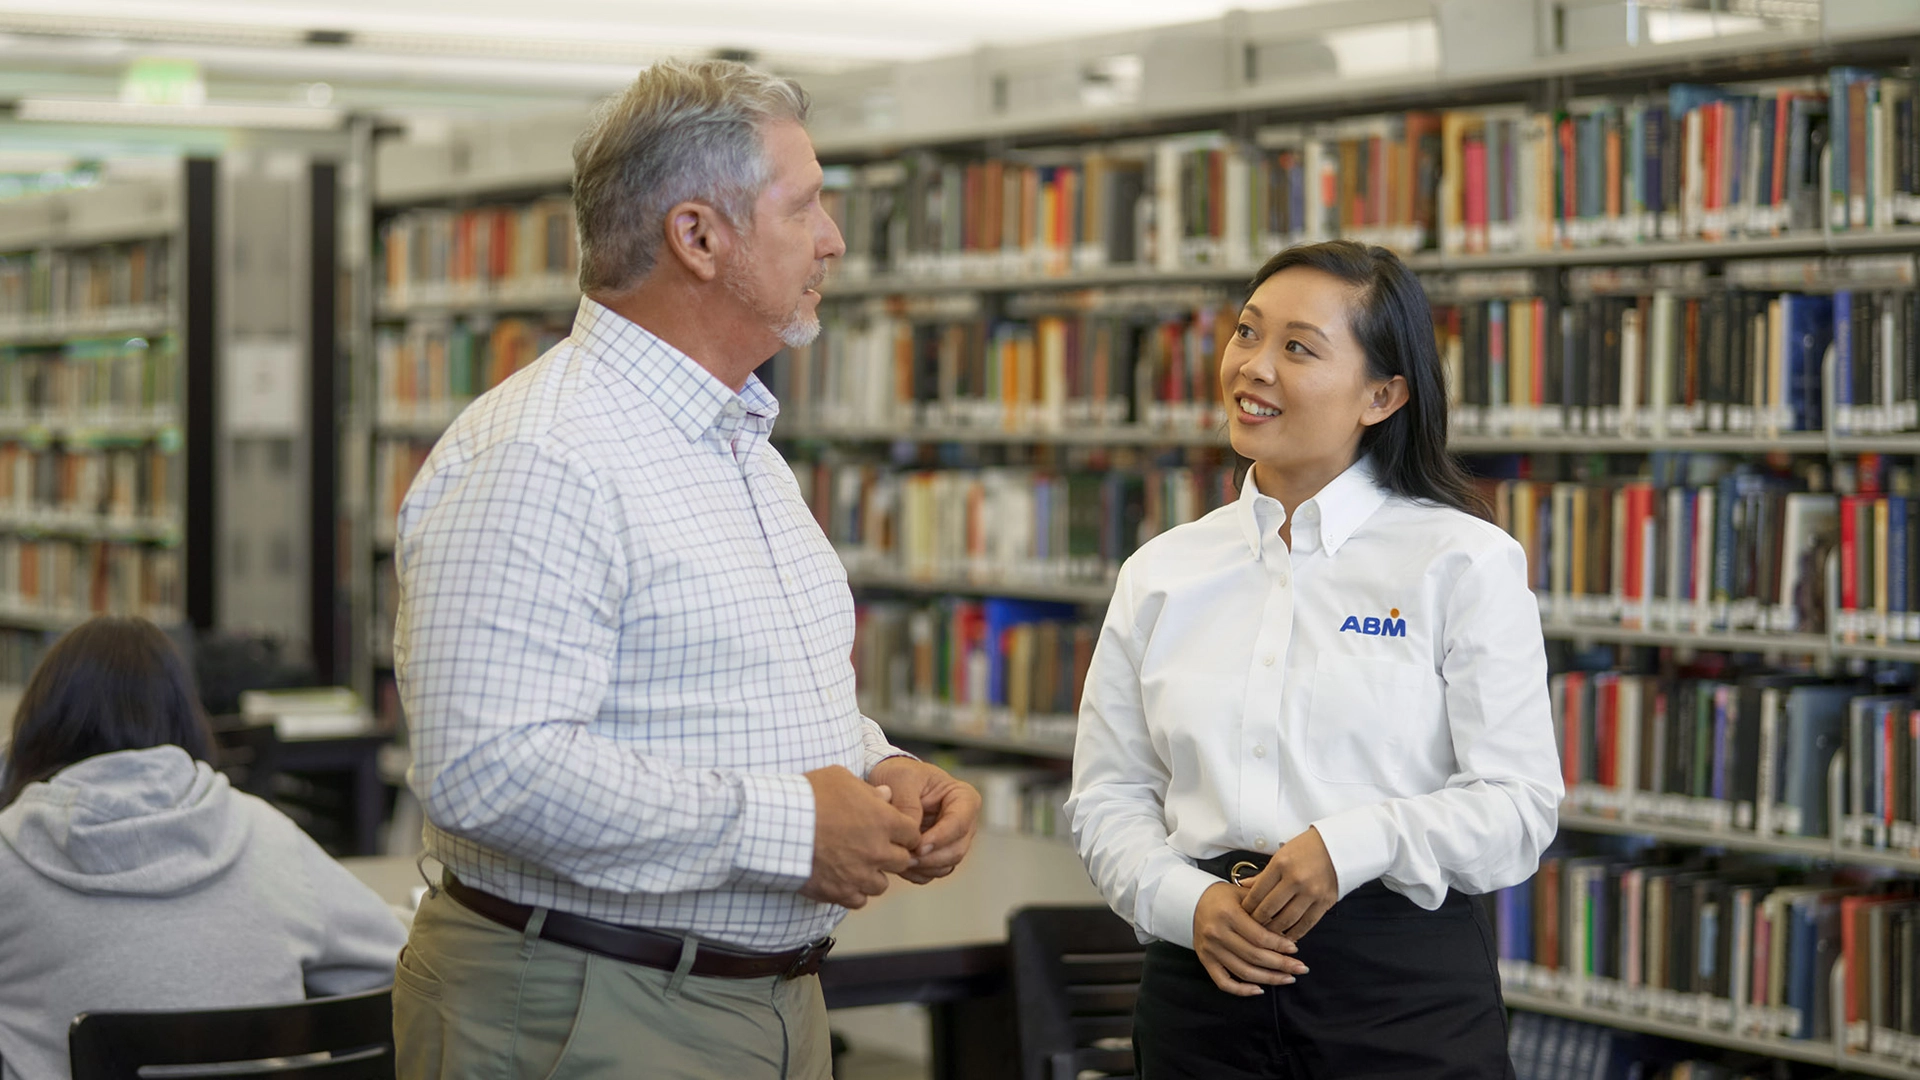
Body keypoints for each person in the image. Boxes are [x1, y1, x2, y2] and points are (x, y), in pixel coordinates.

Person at [390, 58, 981, 1079]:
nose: (835, 239)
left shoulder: (737, 441)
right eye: (806, 207)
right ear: (698, 236)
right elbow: (486, 769)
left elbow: (735, 690)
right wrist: (794, 821)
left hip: (762, 1000)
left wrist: (877, 768)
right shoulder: (545, 454)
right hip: (586, 1008)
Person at [1065, 240, 1563, 1079]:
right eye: (1247, 333)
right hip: (1202, 985)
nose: (1253, 367)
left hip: (1398, 991)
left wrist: (1349, 844)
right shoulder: (1162, 571)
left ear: (1383, 394)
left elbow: (1518, 810)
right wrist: (1186, 903)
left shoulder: (1463, 561)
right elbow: (1109, 794)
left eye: (1297, 348)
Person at [0, 616, 406, 1080]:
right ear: (186, 716)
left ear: (39, 726)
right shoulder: (267, 834)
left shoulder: (8, 856)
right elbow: (401, 971)